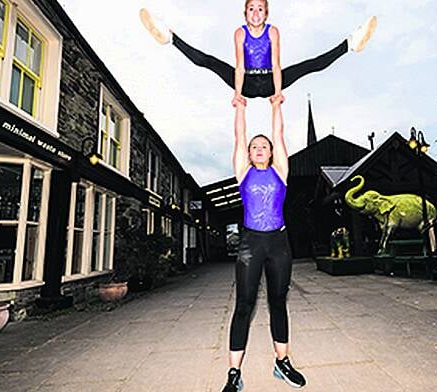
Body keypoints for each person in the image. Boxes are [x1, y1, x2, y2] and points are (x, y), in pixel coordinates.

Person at [139, 0, 377, 105]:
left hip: (271, 79)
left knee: (309, 65)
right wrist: (238, 94)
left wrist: (277, 93)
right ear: (246, 14)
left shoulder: (272, 32)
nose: (256, 12)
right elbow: (240, 65)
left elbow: (275, 63)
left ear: (266, 14)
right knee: (210, 62)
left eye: (260, 8)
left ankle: (350, 44)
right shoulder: (240, 33)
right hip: (247, 83)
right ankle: (169, 37)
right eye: (251, 8)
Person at [219, 95, 303, 391]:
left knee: (278, 302)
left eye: (263, 146)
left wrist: (277, 105)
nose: (258, 149)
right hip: (250, 244)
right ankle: (233, 373)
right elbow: (239, 136)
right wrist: (240, 109)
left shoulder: (281, 171)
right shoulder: (243, 173)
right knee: (244, 305)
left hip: (279, 243)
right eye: (254, 147)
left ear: (270, 153)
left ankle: (282, 362)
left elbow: (278, 134)